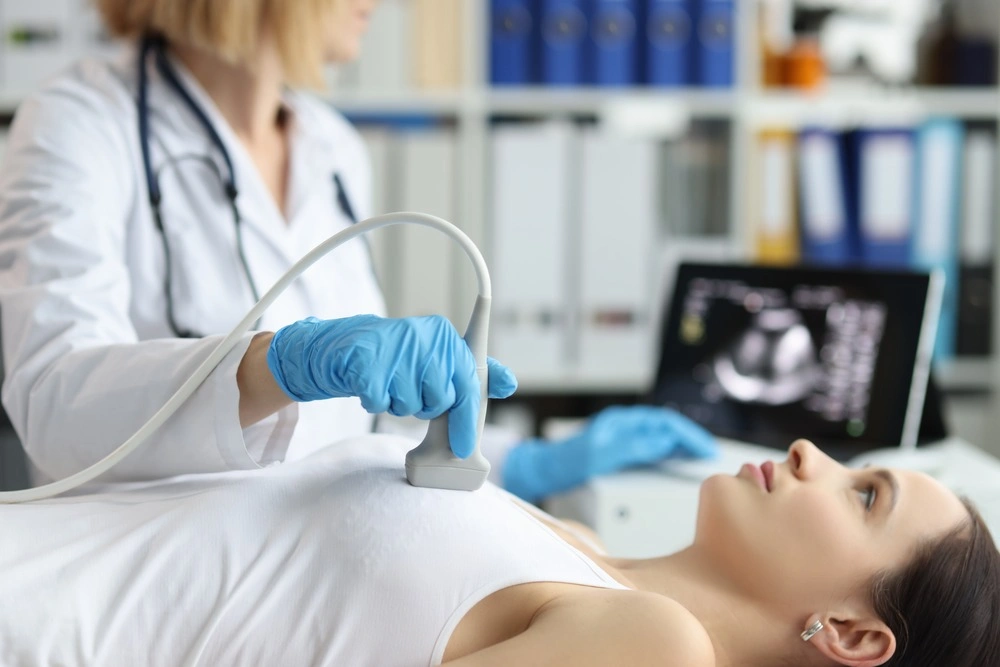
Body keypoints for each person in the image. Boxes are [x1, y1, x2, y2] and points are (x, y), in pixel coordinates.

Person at [0, 0, 716, 497]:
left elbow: (364, 424)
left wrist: (524, 463)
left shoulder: (332, 145)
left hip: (322, 555)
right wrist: (276, 364)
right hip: (162, 581)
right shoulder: (76, 124)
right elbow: (54, 408)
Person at [0, 436, 995, 666]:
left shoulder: (652, 644)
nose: (809, 453)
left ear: (856, 637)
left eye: (864, 493)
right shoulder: (588, 555)